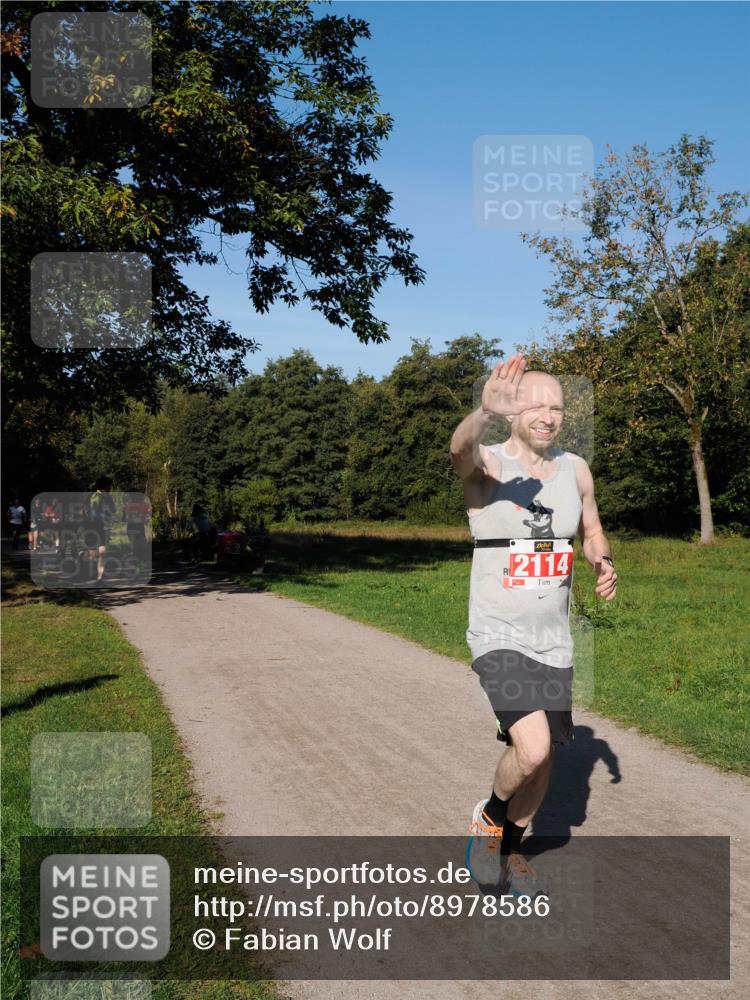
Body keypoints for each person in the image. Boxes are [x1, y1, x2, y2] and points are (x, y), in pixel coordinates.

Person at [450, 354, 617, 897]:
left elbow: (591, 527)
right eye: (536, 404)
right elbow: (458, 451)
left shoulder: (576, 469)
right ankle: (490, 820)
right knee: (535, 747)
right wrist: (482, 412)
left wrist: (601, 559)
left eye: (557, 407)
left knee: (543, 764)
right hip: (499, 632)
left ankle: (513, 846)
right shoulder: (491, 465)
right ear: (513, 410)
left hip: (555, 639)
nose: (548, 415)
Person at [86, 476, 116, 582]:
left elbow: (113, 511)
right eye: (110, 485)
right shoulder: (95, 496)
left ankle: (100, 576)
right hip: (95, 527)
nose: (111, 487)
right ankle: (92, 572)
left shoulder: (108, 497)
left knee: (102, 551)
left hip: (102, 527)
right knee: (94, 551)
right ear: (105, 486)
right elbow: (93, 512)